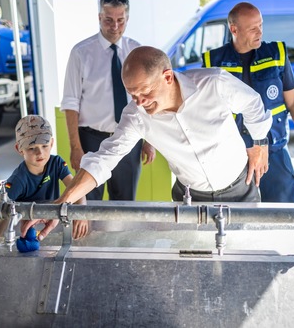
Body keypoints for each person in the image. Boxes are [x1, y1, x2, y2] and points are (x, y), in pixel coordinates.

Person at [24, 46, 273, 240]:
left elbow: (253, 105)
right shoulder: (135, 115)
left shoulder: (214, 83)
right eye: (132, 94)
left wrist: (260, 143)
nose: (139, 102)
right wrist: (61, 203)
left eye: (144, 92)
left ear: (167, 77)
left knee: (244, 256)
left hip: (241, 188)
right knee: (198, 265)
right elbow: (103, 159)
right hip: (190, 198)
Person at [203, 2, 294, 203]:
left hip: (274, 151)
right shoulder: (213, 61)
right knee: (234, 217)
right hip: (234, 155)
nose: (259, 32)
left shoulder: (276, 53)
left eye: (261, 25)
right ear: (234, 29)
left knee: (287, 210)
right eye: (253, 28)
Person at [61, 0, 155, 202]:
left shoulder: (137, 51)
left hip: (129, 139)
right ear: (99, 18)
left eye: (120, 20)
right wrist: (76, 147)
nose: (115, 26)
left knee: (125, 202)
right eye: (108, 20)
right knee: (88, 201)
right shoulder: (81, 53)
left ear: (127, 19)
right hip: (91, 140)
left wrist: (150, 140)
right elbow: (70, 102)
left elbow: (148, 99)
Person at [0, 115, 88, 244]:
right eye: (32, 148)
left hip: (50, 223)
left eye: (44, 145)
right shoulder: (18, 180)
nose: (40, 153)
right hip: (26, 231)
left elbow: (76, 188)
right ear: (19, 149)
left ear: (52, 143)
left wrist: (81, 214)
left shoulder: (56, 163)